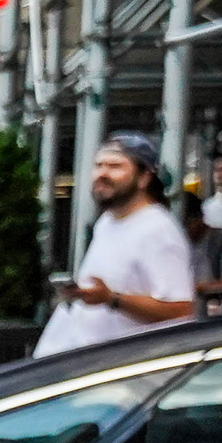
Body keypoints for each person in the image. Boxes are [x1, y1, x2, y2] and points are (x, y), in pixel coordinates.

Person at [36, 133, 194, 356]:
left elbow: (181, 311)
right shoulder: (107, 222)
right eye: (98, 165)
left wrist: (112, 299)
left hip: (127, 376)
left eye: (115, 166)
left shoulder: (158, 230)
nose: (102, 173)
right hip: (88, 365)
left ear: (144, 178)